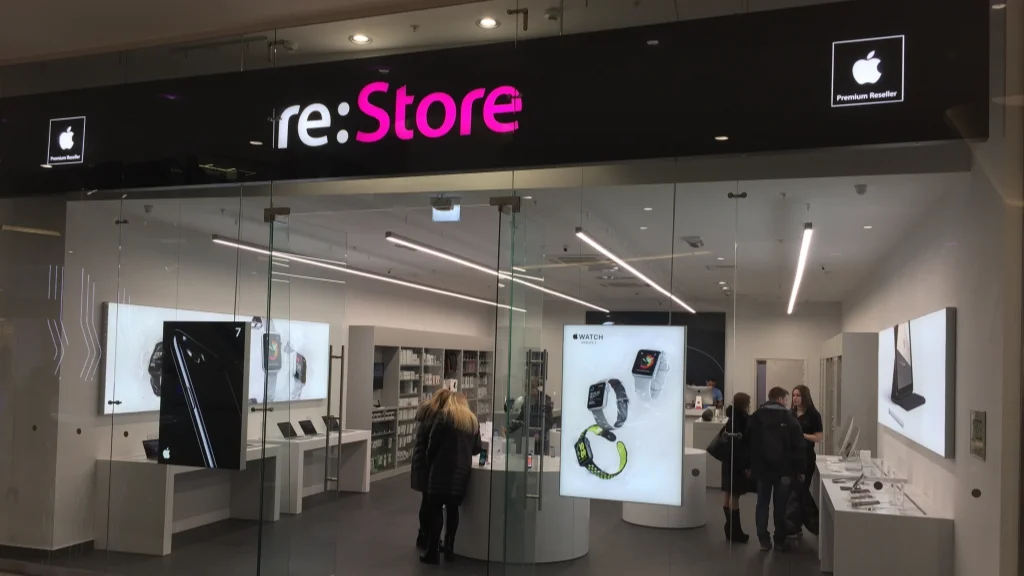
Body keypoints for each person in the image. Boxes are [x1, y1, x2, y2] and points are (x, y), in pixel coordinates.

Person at [421, 393, 482, 564]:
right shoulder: (472, 421)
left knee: (436, 509)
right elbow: (477, 448)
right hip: (461, 473)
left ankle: (432, 551)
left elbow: (432, 444)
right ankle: (449, 547)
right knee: (453, 510)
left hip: (441, 470)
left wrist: (430, 461)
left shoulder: (444, 417)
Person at [747, 386, 805, 552]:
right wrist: (801, 469)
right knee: (780, 505)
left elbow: (749, 444)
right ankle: (779, 540)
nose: (787, 403)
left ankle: (763, 540)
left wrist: (748, 466)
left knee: (762, 503)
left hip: (762, 469)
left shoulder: (756, 417)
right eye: (786, 399)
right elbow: (798, 446)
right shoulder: (789, 418)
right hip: (784, 470)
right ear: (780, 399)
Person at [411, 389, 452, 550]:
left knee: (426, 501)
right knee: (431, 503)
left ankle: (423, 535)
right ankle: (428, 538)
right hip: (427, 464)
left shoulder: (427, 413)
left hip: (420, 462)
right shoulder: (437, 417)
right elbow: (433, 442)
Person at [789, 384, 823, 538]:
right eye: (793, 395)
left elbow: (818, 437)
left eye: (798, 395)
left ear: (804, 397)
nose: (795, 398)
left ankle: (813, 523)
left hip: (806, 457)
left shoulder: (813, 415)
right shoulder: (791, 414)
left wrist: (801, 435)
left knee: (801, 490)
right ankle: (796, 526)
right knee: (794, 493)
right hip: (792, 457)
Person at [721, 392, 752, 543]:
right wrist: (746, 465)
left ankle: (729, 528)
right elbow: (743, 445)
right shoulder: (743, 420)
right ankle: (735, 531)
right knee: (735, 495)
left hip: (728, 459)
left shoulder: (730, 418)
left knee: (728, 493)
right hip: (737, 461)